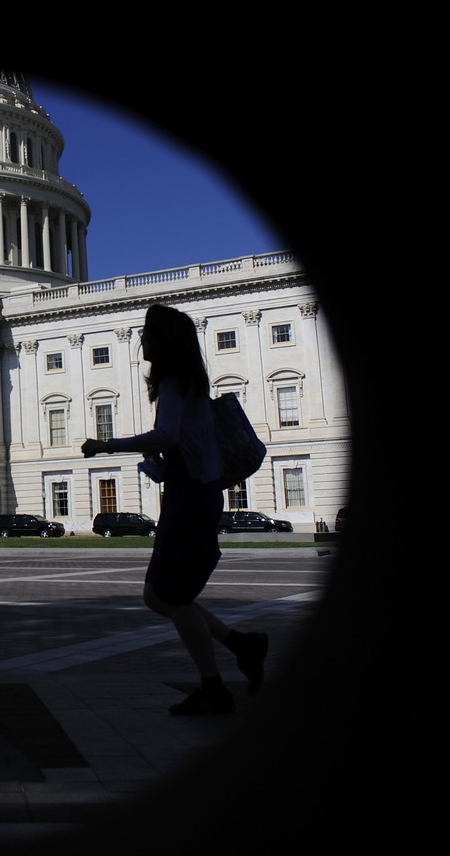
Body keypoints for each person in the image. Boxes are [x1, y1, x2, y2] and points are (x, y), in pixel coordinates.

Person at [82, 303, 268, 715]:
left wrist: (106, 444)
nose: (141, 342)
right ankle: (241, 647)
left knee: (167, 595)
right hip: (191, 490)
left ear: (163, 340)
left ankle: (215, 684)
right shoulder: (187, 382)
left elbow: (166, 434)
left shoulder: (173, 381)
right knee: (165, 595)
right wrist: (163, 469)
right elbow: (186, 442)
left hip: (192, 496)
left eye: (146, 334)